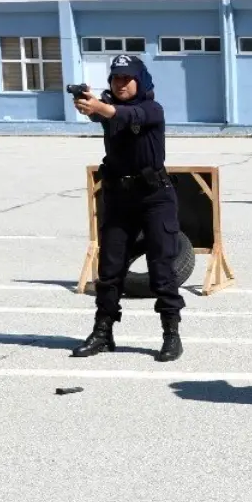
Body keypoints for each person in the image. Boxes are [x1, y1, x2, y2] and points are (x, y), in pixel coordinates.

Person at [70, 55, 185, 363]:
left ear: (140, 80)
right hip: (119, 198)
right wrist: (86, 103)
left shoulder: (151, 109)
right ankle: (103, 333)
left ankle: (171, 334)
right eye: (116, 78)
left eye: (127, 78)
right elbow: (103, 113)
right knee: (109, 270)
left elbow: (122, 114)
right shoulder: (107, 107)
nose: (120, 83)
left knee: (162, 267)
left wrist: (99, 108)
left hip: (154, 197)